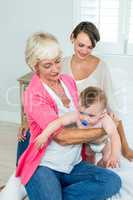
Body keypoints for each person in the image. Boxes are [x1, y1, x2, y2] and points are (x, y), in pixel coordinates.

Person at [14, 31, 121, 200]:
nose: (56, 69)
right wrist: (103, 130)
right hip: (45, 166)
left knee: (111, 181)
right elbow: (62, 137)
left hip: (73, 164)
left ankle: (53, 193)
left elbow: (82, 115)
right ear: (35, 67)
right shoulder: (33, 94)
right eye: (47, 65)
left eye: (57, 61)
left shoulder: (67, 81)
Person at [62, 21, 133, 161]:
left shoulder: (101, 67)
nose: (84, 51)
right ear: (72, 38)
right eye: (80, 45)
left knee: (102, 159)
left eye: (89, 47)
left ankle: (102, 153)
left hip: (92, 126)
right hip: (71, 125)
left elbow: (112, 106)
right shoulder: (61, 65)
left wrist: (125, 147)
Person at [35, 86, 121, 168]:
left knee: (107, 160)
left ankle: (101, 165)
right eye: (82, 113)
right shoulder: (76, 115)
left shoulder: (105, 119)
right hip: (87, 144)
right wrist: (45, 134)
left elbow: (115, 137)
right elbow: (58, 122)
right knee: (89, 162)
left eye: (91, 116)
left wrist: (114, 155)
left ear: (102, 113)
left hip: (103, 144)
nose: (85, 118)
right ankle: (93, 169)